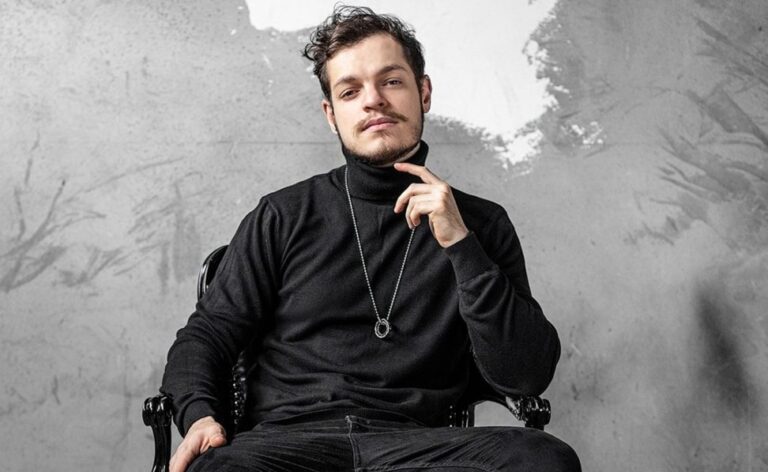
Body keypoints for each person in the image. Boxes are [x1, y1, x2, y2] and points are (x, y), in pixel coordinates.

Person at [161, 5, 580, 472]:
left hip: (419, 449)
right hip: (287, 445)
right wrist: (199, 416)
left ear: (423, 93)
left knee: (543, 459)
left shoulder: (481, 224)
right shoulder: (282, 215)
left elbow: (525, 374)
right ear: (331, 114)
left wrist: (462, 246)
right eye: (350, 91)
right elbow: (205, 337)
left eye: (392, 81)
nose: (373, 100)